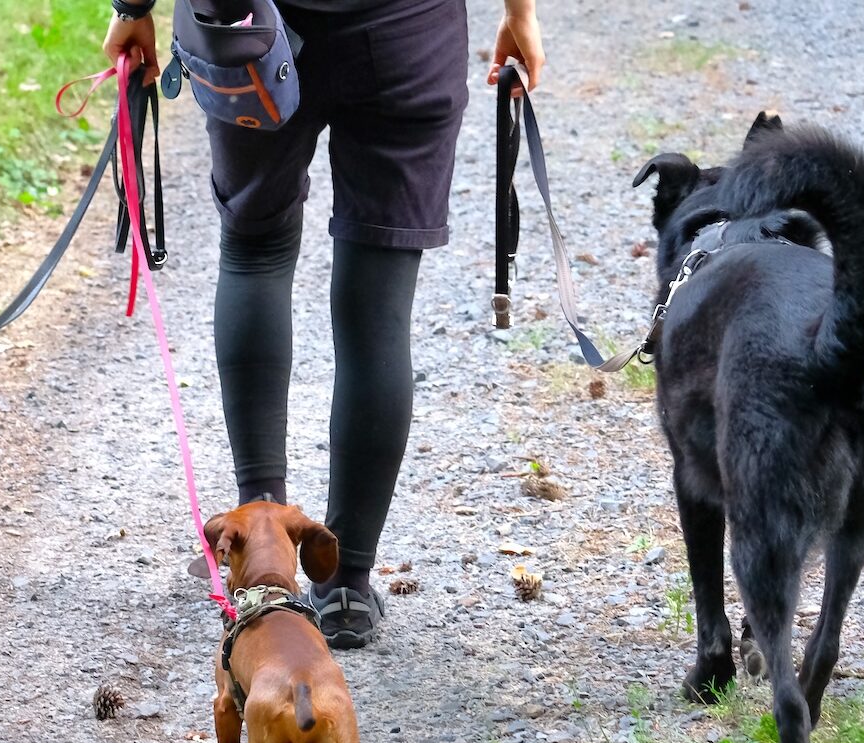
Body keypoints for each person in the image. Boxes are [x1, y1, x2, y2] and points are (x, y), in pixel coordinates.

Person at [103, 0, 545, 648]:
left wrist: (133, 8)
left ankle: (263, 561)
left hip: (248, 22)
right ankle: (345, 587)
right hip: (409, 28)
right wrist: (521, 13)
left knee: (255, 252)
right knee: (378, 304)